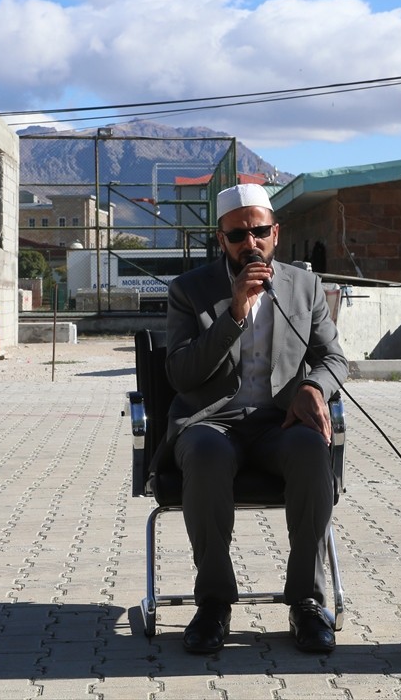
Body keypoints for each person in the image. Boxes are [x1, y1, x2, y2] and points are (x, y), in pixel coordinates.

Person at [163, 183, 348, 654]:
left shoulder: (304, 287)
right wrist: (235, 313)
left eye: (260, 231)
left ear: (275, 233)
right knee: (204, 454)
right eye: (239, 234)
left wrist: (313, 388)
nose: (251, 242)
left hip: (277, 424)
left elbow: (334, 359)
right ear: (221, 239)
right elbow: (182, 373)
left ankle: (306, 602)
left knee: (311, 449)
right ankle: (214, 605)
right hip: (212, 421)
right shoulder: (190, 290)